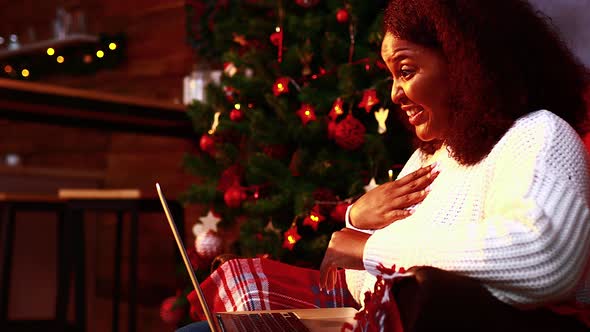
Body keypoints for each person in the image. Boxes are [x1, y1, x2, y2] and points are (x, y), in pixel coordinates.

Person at [178, 0, 590, 330]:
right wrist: (356, 219)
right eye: (391, 75)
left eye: (405, 71)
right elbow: (358, 273)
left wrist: (367, 246)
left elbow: (544, 257)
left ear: (468, 64)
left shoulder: (539, 134)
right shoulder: (431, 157)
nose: (394, 93)